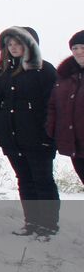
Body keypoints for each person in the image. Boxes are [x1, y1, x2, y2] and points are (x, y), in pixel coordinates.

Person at [0, 26, 59, 238]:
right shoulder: (4, 72)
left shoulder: (44, 70)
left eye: (18, 44)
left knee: (43, 181)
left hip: (38, 138)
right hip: (12, 138)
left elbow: (53, 106)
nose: (13, 48)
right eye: (10, 45)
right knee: (24, 180)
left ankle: (48, 225)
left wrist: (49, 136)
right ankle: (31, 222)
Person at [46, 31, 84, 184]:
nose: (79, 51)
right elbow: (53, 105)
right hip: (75, 143)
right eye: (75, 48)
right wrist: (52, 128)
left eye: (83, 47)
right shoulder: (65, 76)